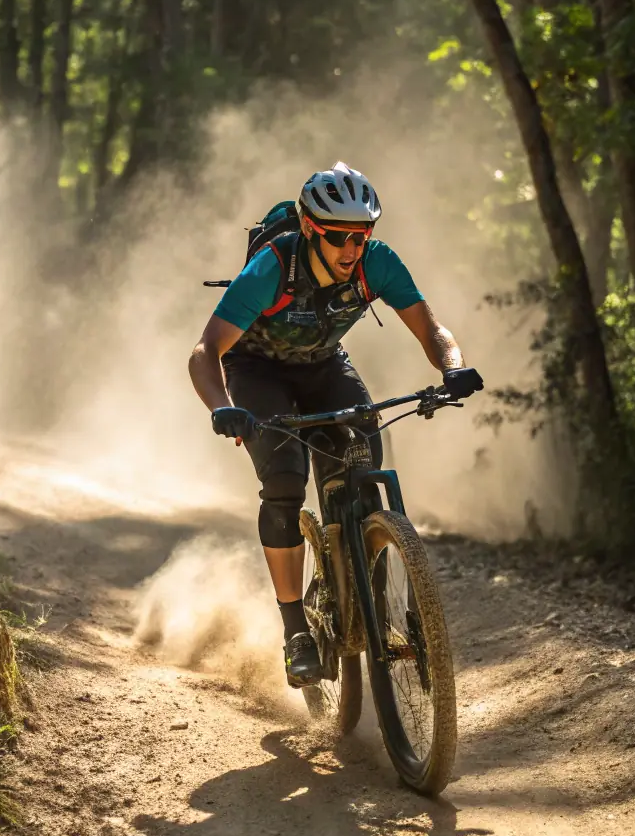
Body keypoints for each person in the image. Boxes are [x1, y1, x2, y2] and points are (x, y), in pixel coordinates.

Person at [188, 162, 483, 687]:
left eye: (363, 234)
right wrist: (220, 406)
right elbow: (206, 350)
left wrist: (453, 367)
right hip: (257, 370)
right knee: (283, 481)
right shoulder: (272, 269)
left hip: (323, 365)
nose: (353, 248)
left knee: (363, 454)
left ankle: (363, 577)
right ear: (309, 228)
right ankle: (297, 629)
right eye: (339, 236)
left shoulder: (377, 263)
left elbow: (432, 329)